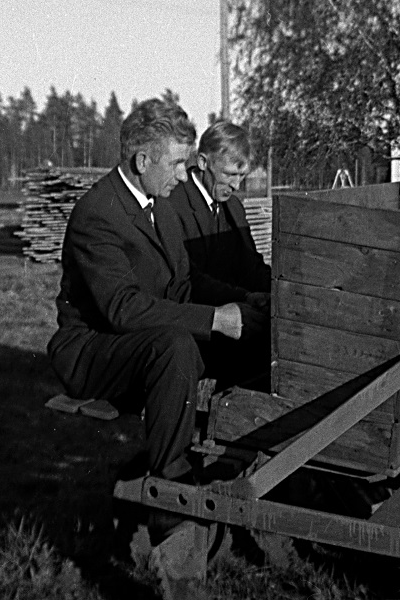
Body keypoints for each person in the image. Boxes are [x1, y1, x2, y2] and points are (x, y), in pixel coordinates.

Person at [47, 99, 262, 494]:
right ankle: (170, 482)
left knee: (249, 334)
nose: (184, 176)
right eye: (177, 164)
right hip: (93, 349)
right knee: (175, 346)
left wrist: (244, 302)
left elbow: (183, 283)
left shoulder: (158, 206)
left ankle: (244, 451)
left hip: (138, 336)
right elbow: (122, 309)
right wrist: (214, 320)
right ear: (143, 161)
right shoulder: (98, 213)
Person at [168, 121, 272, 391]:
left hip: (234, 316)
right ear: (203, 162)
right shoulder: (172, 204)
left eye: (242, 176)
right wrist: (244, 298)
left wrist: (282, 292)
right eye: (229, 175)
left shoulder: (232, 207)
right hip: (194, 326)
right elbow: (185, 280)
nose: (237, 185)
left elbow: (252, 266)